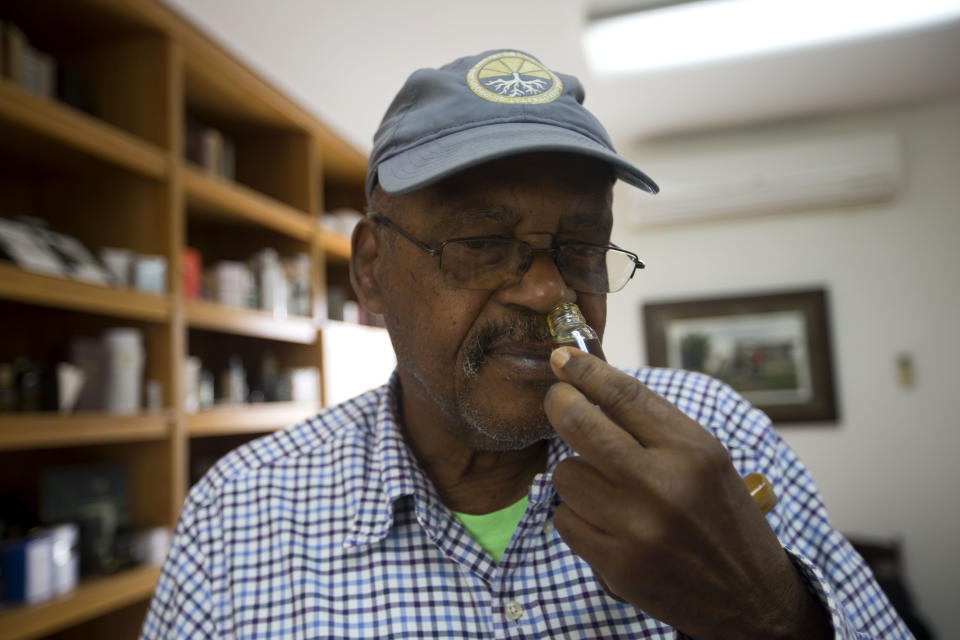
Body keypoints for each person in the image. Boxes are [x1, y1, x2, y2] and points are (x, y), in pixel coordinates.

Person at [141, 49, 912, 639]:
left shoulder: (720, 438)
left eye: (581, 248)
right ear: (372, 273)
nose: (549, 292)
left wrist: (771, 614)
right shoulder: (236, 517)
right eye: (480, 241)